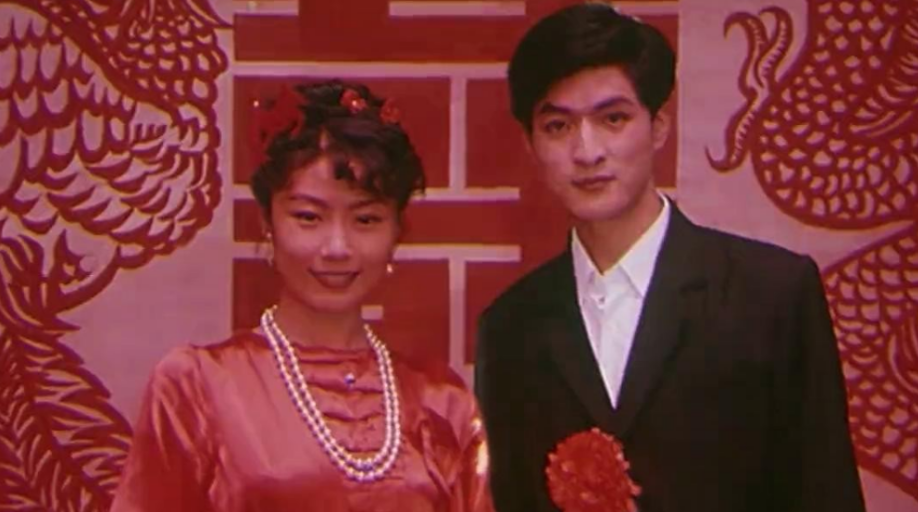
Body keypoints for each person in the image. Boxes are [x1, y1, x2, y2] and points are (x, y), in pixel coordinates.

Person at [474, 4, 866, 512]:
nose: (587, 151)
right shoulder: (510, 327)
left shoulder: (770, 295)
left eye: (613, 119)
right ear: (530, 143)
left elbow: (825, 494)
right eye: (557, 126)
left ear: (659, 125)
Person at [112, 80, 493, 512]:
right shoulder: (197, 386)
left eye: (366, 219)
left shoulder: (441, 401)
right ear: (267, 223)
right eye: (309, 217)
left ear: (397, 232)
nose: (337, 247)